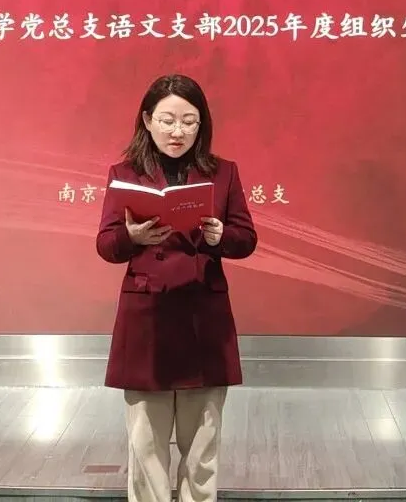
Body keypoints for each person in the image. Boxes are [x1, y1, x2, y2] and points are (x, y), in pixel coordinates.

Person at [96, 73, 257, 502]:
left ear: (202, 124)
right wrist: (133, 237)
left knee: (202, 446)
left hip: (203, 318)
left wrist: (220, 236)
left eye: (189, 121)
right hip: (147, 318)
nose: (177, 131)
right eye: (167, 120)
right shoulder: (125, 174)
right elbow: (106, 245)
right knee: (145, 446)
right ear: (147, 120)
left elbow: (246, 239)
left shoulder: (223, 173)